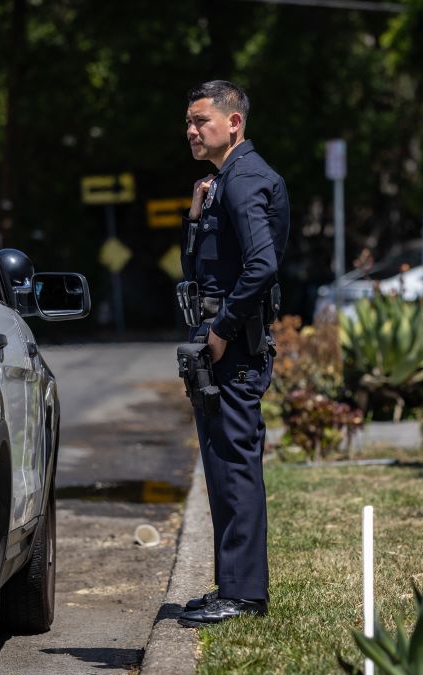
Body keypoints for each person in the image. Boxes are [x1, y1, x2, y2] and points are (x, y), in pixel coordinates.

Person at [177, 80, 289, 625]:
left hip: (234, 350)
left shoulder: (245, 181)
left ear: (234, 123)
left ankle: (244, 595)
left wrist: (220, 330)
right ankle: (230, 585)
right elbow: (204, 265)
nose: (192, 130)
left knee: (235, 466)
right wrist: (197, 215)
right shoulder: (223, 182)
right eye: (190, 121)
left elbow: (262, 266)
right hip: (223, 344)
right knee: (220, 466)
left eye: (202, 121)